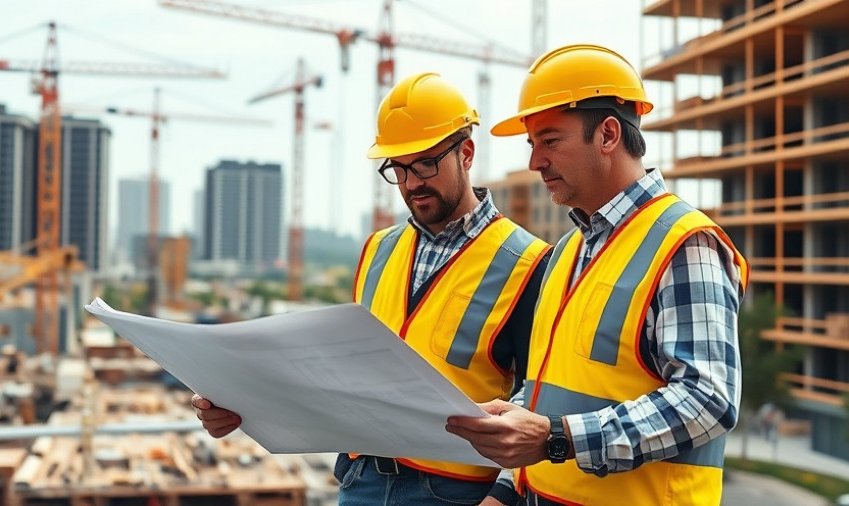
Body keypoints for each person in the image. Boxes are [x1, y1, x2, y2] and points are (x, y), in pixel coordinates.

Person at [193, 71, 551, 506]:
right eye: (397, 169)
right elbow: (345, 378)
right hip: (360, 480)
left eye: (425, 163)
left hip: (457, 493)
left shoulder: (529, 262)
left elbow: (539, 403)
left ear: (467, 153)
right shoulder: (378, 250)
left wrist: (503, 497)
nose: (411, 182)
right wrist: (240, 404)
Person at [446, 44, 749, 506]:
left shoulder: (685, 244)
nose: (535, 162)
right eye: (532, 145)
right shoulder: (568, 251)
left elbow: (707, 400)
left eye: (550, 140)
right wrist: (509, 486)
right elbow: (554, 390)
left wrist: (558, 439)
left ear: (608, 134)